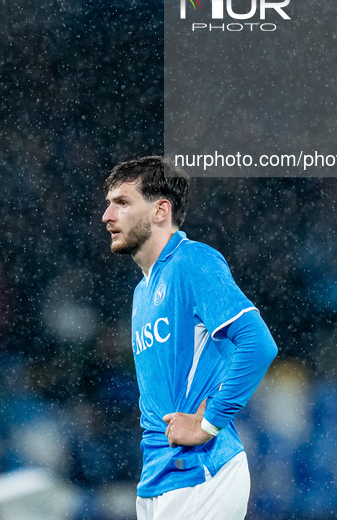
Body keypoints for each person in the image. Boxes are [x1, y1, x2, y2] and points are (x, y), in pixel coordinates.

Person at [102, 155, 278, 520]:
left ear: (160, 210)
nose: (107, 216)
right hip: (158, 478)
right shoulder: (142, 292)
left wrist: (208, 422)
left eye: (122, 203)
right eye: (109, 204)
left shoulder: (192, 261)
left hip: (199, 471)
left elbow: (258, 343)